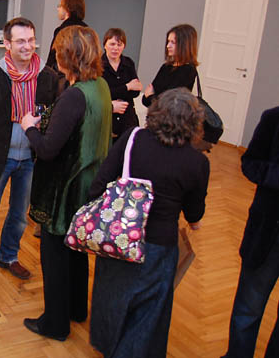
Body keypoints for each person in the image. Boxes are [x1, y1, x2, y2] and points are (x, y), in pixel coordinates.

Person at [89, 88, 210, 357]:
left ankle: (108, 346)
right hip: (159, 246)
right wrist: (194, 222)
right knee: (149, 311)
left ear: (156, 112)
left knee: (111, 297)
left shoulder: (132, 138)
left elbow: (98, 184)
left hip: (120, 234)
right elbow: (194, 213)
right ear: (193, 123)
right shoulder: (197, 162)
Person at [20, 25, 112, 341]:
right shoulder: (100, 86)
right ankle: (76, 308)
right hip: (89, 184)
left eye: (58, 51)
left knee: (55, 255)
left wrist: (29, 127)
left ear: (67, 57)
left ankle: (55, 324)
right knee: (76, 249)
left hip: (66, 189)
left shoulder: (74, 95)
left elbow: (47, 149)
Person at [0, 17, 58, 297]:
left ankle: (8, 256)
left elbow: (52, 119)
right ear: (7, 44)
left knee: (19, 217)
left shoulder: (48, 77)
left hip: (30, 159)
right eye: (20, 41)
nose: (27, 46)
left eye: (31, 40)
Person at [222, 106, 279, 358]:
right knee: (248, 308)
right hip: (267, 233)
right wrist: (274, 175)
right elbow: (249, 162)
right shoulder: (273, 118)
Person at [142, 24, 198, 107]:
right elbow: (145, 100)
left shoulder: (188, 70)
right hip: (155, 114)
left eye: (173, 42)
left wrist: (150, 97)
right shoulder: (166, 67)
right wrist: (152, 98)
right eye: (168, 41)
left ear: (184, 45)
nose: (168, 46)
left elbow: (169, 104)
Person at [101, 28, 143, 141]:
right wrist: (127, 87)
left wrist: (116, 92)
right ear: (105, 45)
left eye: (119, 45)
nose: (115, 48)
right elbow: (102, 93)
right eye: (112, 44)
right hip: (107, 117)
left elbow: (135, 92)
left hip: (127, 118)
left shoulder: (128, 63)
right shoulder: (98, 65)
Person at [45, 0, 87, 75]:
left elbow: (52, 57)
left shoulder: (62, 31)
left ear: (67, 8)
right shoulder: (87, 30)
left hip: (63, 75)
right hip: (84, 74)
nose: (58, 9)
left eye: (60, 6)